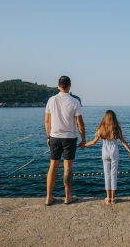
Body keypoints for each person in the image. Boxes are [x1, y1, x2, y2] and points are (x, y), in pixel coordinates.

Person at [44, 76, 86, 205]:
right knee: (67, 169)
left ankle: (49, 197)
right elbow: (79, 123)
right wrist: (83, 139)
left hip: (54, 137)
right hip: (69, 139)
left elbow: (47, 121)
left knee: (53, 167)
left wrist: (48, 136)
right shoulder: (75, 102)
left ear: (58, 85)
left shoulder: (51, 100)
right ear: (70, 85)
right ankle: (68, 196)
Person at [85, 110, 130, 204]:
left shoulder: (101, 128)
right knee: (113, 174)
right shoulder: (116, 128)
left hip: (105, 151)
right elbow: (123, 142)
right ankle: (113, 198)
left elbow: (94, 141)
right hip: (114, 150)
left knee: (107, 175)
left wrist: (85, 145)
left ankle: (108, 198)